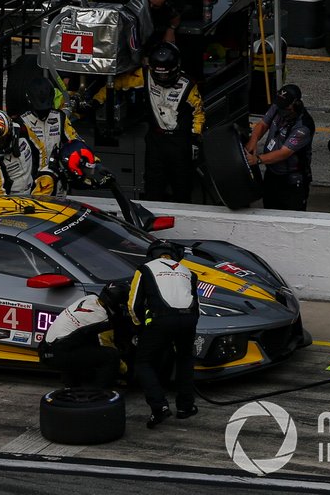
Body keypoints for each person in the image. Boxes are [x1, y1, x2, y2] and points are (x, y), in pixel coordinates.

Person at [128, 240, 199, 427]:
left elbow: (134, 304)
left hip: (161, 321)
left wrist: (139, 328)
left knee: (143, 363)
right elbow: (195, 303)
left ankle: (159, 406)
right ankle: (185, 407)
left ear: (152, 254)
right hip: (189, 320)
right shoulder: (188, 272)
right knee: (185, 359)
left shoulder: (145, 269)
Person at [141, 42, 205, 202]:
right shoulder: (143, 75)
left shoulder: (188, 85)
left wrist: (195, 137)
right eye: (159, 75)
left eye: (166, 74)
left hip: (180, 141)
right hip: (156, 140)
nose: (162, 78)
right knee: (153, 185)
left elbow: (199, 113)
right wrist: (95, 100)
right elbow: (120, 82)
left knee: (182, 185)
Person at [38, 281, 129, 389]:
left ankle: (71, 385)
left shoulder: (90, 298)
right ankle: (100, 394)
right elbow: (105, 345)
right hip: (55, 355)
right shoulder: (102, 318)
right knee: (111, 356)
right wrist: (123, 366)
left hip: (45, 348)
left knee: (81, 344)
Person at [246, 83, 315, 211]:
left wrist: (258, 159)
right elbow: (262, 124)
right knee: (268, 211)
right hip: (272, 175)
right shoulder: (279, 105)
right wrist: (253, 141)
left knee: (292, 220)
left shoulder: (303, 127)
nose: (280, 109)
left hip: (292, 181)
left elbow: (284, 153)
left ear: (296, 105)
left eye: (285, 107)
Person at [18, 76, 81, 196]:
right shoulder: (21, 123)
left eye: (45, 110)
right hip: (32, 185)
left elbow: (76, 143)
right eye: (40, 110)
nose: (43, 113)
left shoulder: (60, 118)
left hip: (58, 183)